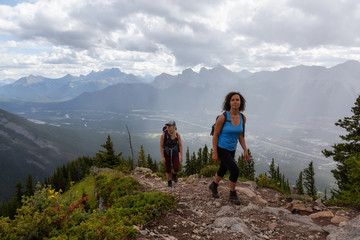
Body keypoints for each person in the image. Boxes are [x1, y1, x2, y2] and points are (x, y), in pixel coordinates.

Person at [209, 92, 248, 205]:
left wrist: (245, 150)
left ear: (241, 102)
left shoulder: (242, 118)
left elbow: (241, 135)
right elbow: (215, 135)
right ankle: (232, 194)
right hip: (221, 148)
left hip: (232, 148)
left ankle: (214, 185)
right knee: (235, 170)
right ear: (229, 102)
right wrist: (215, 152)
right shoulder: (223, 117)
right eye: (233, 100)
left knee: (223, 169)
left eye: (237, 100)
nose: (235, 102)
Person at [160, 120, 183, 187]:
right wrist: (162, 157)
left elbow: (180, 145)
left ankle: (174, 175)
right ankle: (169, 182)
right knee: (168, 169)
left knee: (176, 167)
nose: (168, 127)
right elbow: (161, 147)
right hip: (167, 153)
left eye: (170, 126)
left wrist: (181, 156)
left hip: (175, 153)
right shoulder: (164, 135)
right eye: (168, 126)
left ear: (173, 127)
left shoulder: (177, 135)